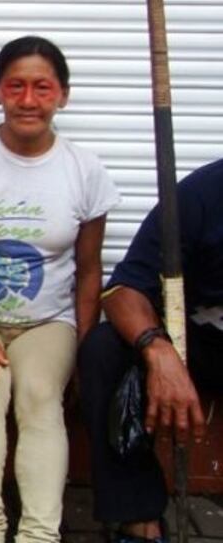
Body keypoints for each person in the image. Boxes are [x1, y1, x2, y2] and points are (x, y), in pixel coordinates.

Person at [0, 36, 120, 542]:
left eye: (42, 88)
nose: (28, 99)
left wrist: (84, 348)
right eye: (15, 86)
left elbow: (88, 271)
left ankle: (40, 534)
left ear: (62, 95)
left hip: (48, 322)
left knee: (41, 397)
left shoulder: (85, 171)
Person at [78, 158, 223, 543]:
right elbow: (123, 290)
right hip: (200, 341)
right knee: (104, 350)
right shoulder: (202, 195)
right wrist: (157, 349)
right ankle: (138, 519)